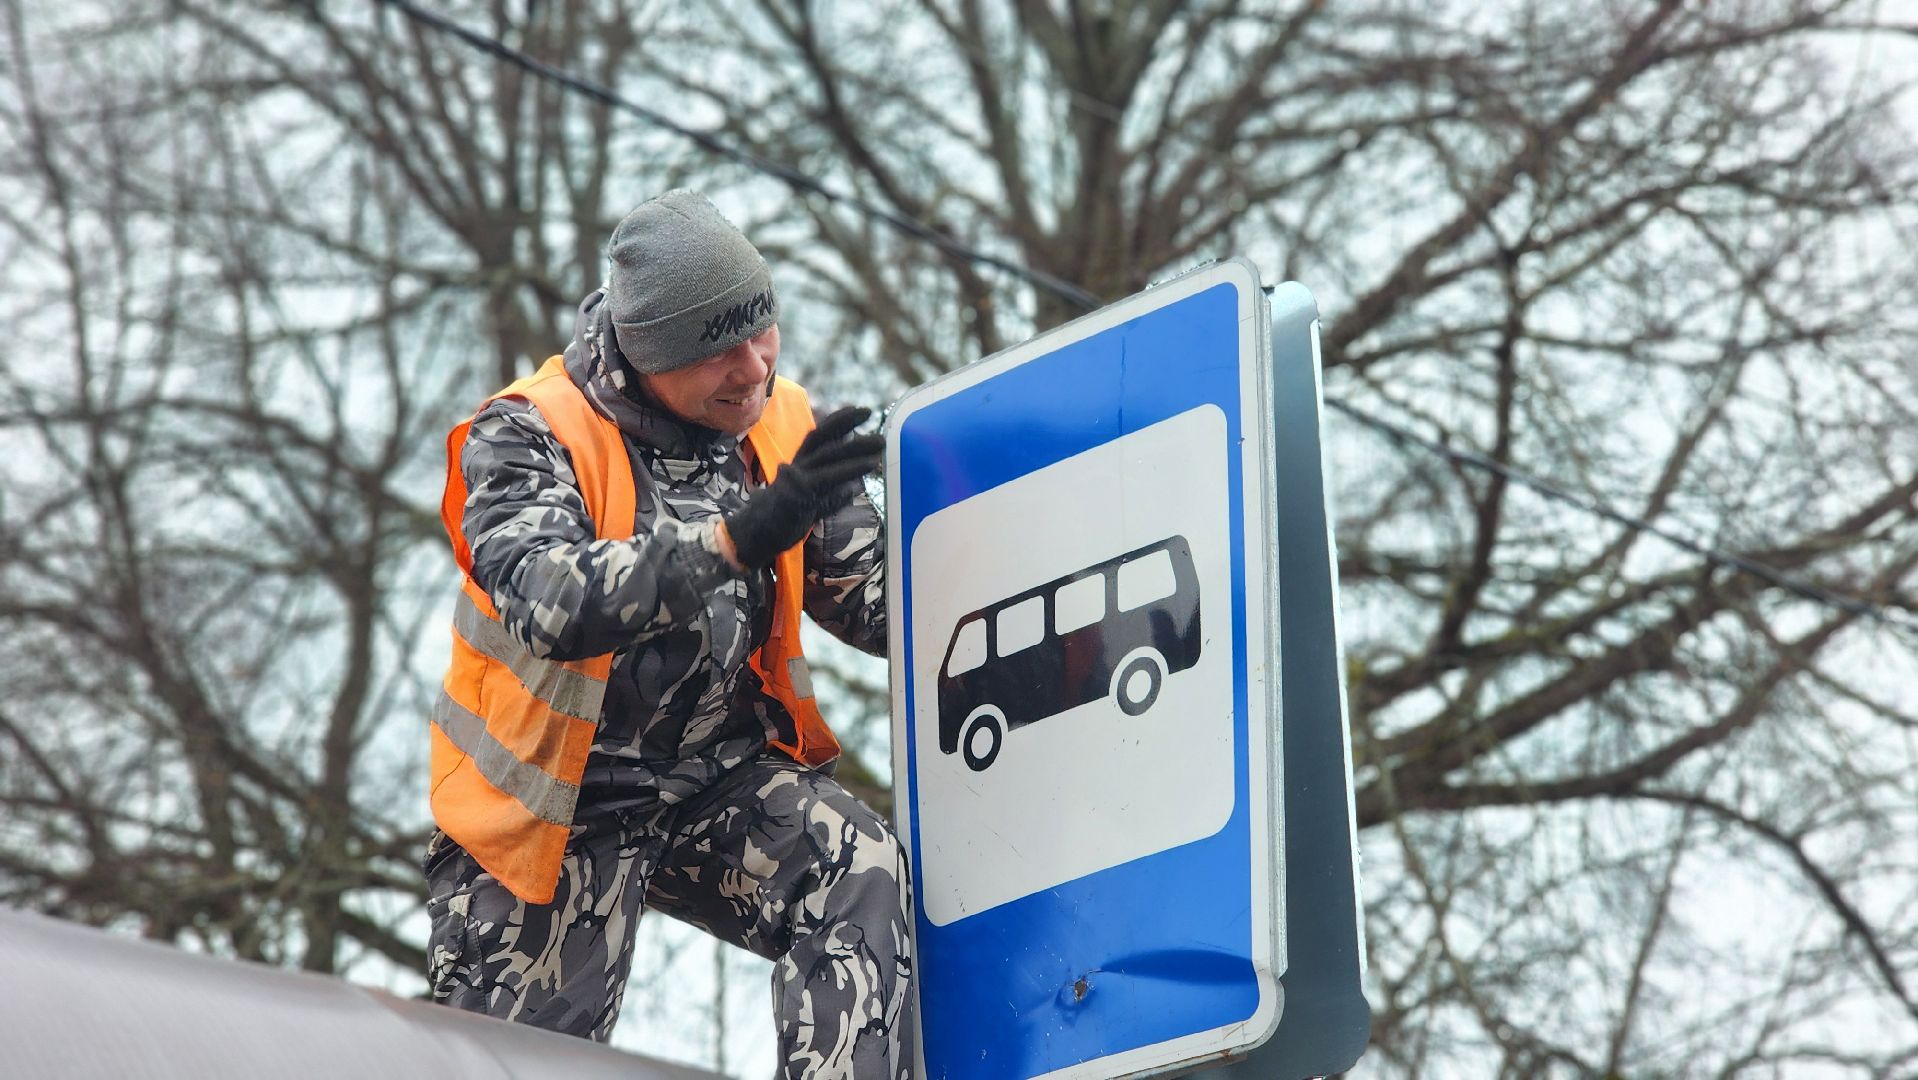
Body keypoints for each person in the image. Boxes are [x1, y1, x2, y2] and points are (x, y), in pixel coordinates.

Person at [423, 189, 911, 1079]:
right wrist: (736, 540)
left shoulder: (786, 425)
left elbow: (885, 606)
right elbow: (550, 605)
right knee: (517, 1063)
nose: (752, 368)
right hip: (556, 818)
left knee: (860, 869)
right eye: (717, 350)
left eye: (762, 329)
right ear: (649, 358)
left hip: (712, 781)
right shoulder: (526, 434)